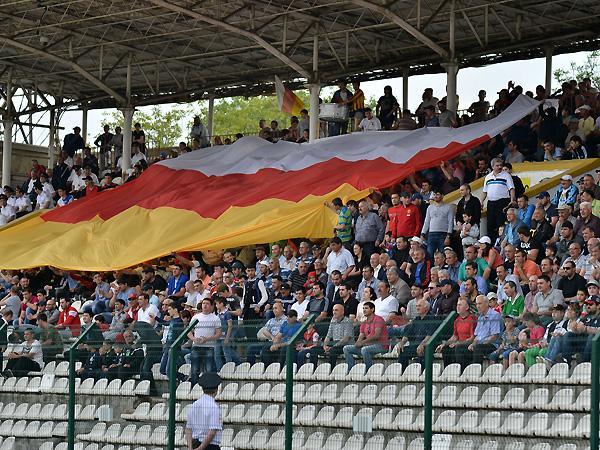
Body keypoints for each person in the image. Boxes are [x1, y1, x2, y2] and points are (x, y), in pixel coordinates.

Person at [343, 301, 388, 369]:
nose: (364, 310)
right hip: (368, 346)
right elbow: (360, 337)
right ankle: (351, 369)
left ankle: (368, 370)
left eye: (366, 308)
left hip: (381, 346)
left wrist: (363, 342)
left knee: (365, 349)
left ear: (372, 309)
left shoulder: (378, 319)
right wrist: (357, 343)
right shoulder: (364, 323)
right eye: (363, 308)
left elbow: (377, 336)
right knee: (346, 348)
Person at [481, 158, 515, 244]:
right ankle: (491, 244)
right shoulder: (488, 177)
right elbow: (485, 191)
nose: (499, 167)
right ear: (492, 166)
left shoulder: (506, 175)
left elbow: (511, 188)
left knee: (501, 224)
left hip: (502, 202)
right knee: (490, 225)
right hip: (491, 203)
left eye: (501, 165)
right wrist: (481, 201)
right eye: (497, 165)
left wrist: (512, 200)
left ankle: (501, 243)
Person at [185, 372, 223, 450]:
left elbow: (188, 429)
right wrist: (200, 448)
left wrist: (190, 447)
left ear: (202, 389)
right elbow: (212, 432)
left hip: (195, 443)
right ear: (217, 389)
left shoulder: (195, 404)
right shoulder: (214, 407)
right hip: (210, 446)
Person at [436, 299, 477, 369]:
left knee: (458, 348)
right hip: (458, 345)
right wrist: (444, 344)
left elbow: (472, 338)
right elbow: (455, 336)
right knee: (446, 349)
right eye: (457, 305)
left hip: (468, 346)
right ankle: (448, 370)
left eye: (460, 305)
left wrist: (458, 343)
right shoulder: (457, 320)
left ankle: (461, 371)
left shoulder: (472, 319)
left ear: (467, 307)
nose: (457, 307)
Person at [189, 298, 222, 386]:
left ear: (211, 306)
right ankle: (194, 387)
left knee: (209, 369)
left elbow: (218, 334)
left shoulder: (215, 318)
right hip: (196, 346)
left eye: (207, 303)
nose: (205, 305)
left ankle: (208, 387)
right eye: (203, 303)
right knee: (194, 370)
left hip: (209, 347)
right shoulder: (195, 317)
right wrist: (194, 339)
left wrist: (207, 339)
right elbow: (189, 331)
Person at [467, 295, 502, 364]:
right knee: (461, 348)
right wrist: (473, 344)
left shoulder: (495, 315)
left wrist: (481, 343)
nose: (477, 306)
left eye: (480, 303)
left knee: (478, 348)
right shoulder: (480, 317)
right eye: (476, 304)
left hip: (492, 344)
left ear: (486, 304)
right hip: (481, 344)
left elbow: (494, 336)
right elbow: (477, 336)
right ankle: (464, 369)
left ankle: (476, 370)